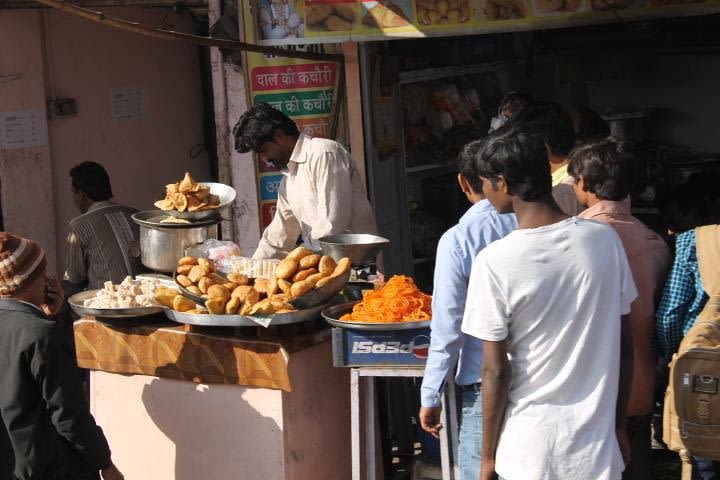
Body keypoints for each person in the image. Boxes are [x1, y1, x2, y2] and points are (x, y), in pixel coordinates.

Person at [460, 128, 637, 480]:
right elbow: (625, 347)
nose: (485, 194)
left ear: (503, 184)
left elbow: (495, 370)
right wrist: (618, 427)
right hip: (596, 453)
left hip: (530, 453)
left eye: (485, 183)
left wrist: (486, 458)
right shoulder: (604, 241)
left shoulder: (495, 261)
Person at [568, 137, 671, 480]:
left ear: (583, 184)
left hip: (587, 390)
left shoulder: (574, 238)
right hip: (641, 386)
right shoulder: (654, 241)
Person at [418, 139, 517, 480]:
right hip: (538, 383)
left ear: (463, 182)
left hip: (482, 386)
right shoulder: (534, 224)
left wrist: (431, 393)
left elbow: (448, 327)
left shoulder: (459, 239)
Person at [0, 232, 124, 480]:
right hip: (51, 469)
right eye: (44, 272)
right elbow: (70, 416)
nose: (50, 279)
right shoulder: (40, 335)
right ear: (32, 279)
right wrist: (105, 463)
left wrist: (51, 317)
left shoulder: (36, 328)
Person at [233, 103, 377, 259]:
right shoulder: (288, 181)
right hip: (322, 263)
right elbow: (278, 238)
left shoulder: (324, 154)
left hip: (355, 263)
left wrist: (299, 259)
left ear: (280, 136)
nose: (265, 159)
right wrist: (251, 270)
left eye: (264, 150)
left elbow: (332, 226)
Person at [656, 179, 720, 480]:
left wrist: (674, 354)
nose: (669, 231)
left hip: (705, 365)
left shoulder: (692, 241)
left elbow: (670, 313)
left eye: (673, 221)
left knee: (703, 450)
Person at [64, 162, 143, 294]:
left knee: (66, 285)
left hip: (108, 303)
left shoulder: (79, 224)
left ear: (81, 194)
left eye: (73, 192)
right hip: (144, 296)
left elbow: (75, 277)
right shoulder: (134, 215)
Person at [509, 102, 585, 216]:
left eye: (520, 144)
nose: (516, 152)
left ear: (543, 147)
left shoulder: (559, 194)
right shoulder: (586, 172)